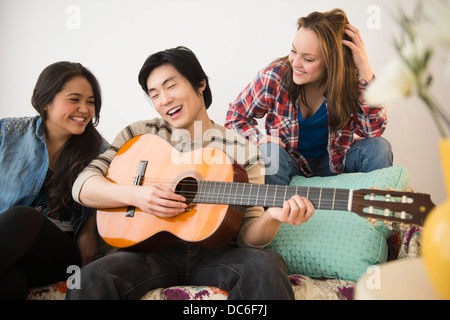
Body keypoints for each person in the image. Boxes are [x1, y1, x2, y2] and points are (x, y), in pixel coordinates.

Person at [66, 46, 315, 300]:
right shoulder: (138, 135)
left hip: (216, 253)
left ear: (200, 84)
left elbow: (246, 237)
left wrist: (272, 217)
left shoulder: (243, 150)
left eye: (171, 86)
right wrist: (137, 195)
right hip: (148, 252)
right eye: (154, 94)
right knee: (86, 280)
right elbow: (83, 186)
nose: (164, 100)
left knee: (266, 265)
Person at [225, 9, 393, 185]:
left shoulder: (351, 82)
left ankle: (373, 209)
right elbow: (235, 117)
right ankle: (277, 211)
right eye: (294, 51)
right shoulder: (275, 77)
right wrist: (257, 139)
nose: (296, 63)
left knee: (379, 147)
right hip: (290, 163)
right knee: (270, 152)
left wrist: (365, 71)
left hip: (335, 163)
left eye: (308, 59)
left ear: (331, 62)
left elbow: (374, 131)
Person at [0, 61, 107, 299]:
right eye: (74, 99)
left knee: (24, 215)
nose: (85, 109)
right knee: (10, 280)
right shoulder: (8, 132)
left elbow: (110, 195)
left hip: (57, 253)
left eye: (90, 102)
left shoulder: (101, 152)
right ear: (46, 101)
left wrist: (89, 228)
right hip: (9, 245)